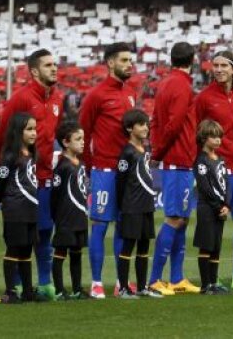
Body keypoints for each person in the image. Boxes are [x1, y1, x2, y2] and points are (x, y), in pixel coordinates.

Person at [0, 49, 62, 298]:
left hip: (45, 178)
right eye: (48, 65)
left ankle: (45, 284)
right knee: (20, 236)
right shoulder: (21, 99)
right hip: (22, 180)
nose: (54, 68)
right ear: (34, 71)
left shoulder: (58, 99)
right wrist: (9, 169)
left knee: (44, 232)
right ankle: (16, 286)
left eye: (54, 64)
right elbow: (2, 135)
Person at [78, 42, 137, 299]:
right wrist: (91, 168)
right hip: (104, 170)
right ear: (111, 63)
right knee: (100, 225)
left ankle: (120, 282)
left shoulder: (130, 93)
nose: (129, 64)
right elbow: (83, 133)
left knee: (124, 227)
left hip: (128, 172)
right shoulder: (96, 95)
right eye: (124, 60)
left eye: (130, 60)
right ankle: (96, 282)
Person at [194, 50, 233, 290]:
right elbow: (196, 132)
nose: (218, 69)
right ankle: (212, 277)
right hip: (212, 168)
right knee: (213, 225)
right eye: (215, 65)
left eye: (223, 65)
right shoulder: (204, 98)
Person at [148, 42, 200, 296]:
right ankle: (156, 279)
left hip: (179, 160)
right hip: (177, 159)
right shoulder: (182, 85)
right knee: (174, 218)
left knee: (182, 217)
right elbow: (175, 123)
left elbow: (157, 121)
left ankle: (177, 277)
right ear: (193, 60)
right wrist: (158, 153)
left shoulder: (166, 84)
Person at [0, 113, 41, 303]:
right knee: (13, 248)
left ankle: (28, 291)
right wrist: (1, 200)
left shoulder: (31, 154)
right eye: (29, 129)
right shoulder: (10, 156)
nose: (33, 133)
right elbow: (0, 180)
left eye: (34, 129)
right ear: (17, 131)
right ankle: (10, 291)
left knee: (27, 250)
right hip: (15, 209)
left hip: (30, 209)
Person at [114, 110, 157, 299]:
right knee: (128, 247)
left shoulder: (144, 150)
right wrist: (124, 204)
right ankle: (123, 288)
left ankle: (142, 287)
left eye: (146, 124)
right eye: (141, 124)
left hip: (146, 205)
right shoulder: (127, 153)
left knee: (144, 247)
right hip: (132, 206)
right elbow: (121, 181)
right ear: (130, 128)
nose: (145, 128)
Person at [50, 121, 89, 300]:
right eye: (78, 139)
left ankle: (77, 289)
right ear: (66, 142)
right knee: (60, 253)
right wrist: (57, 217)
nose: (83, 142)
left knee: (76, 253)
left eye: (83, 138)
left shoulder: (79, 164)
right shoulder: (62, 166)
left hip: (79, 216)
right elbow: (55, 194)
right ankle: (59, 290)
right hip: (66, 218)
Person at [193, 119, 230, 295]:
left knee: (216, 246)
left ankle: (214, 283)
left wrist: (227, 205)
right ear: (204, 138)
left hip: (220, 208)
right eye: (214, 137)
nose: (218, 140)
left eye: (219, 137)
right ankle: (205, 284)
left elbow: (226, 184)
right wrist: (217, 207)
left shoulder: (221, 160)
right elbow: (205, 187)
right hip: (207, 208)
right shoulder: (201, 161)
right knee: (206, 245)